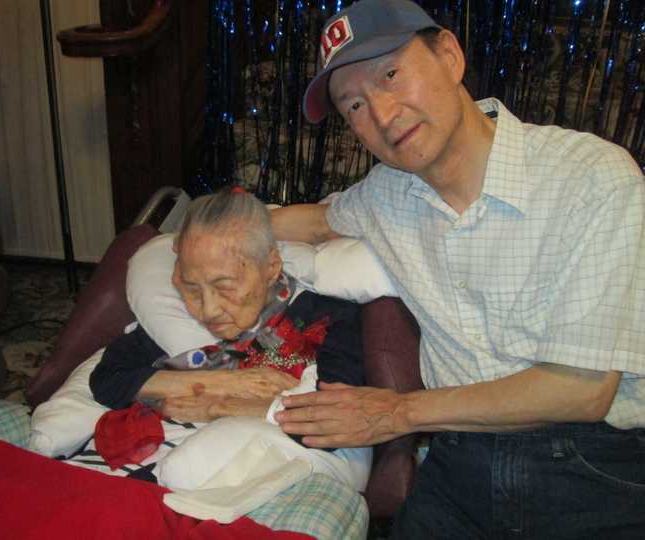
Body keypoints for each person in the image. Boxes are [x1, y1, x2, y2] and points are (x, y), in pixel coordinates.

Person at [270, 0, 645, 538]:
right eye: (353, 106)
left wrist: (397, 414)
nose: (380, 114)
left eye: (391, 74)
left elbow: (582, 389)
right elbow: (317, 222)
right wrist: (213, 226)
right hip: (457, 465)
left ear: (449, 55)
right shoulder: (388, 194)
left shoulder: (592, 178)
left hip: (593, 468)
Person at [88, 188, 370, 490]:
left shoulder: (326, 318)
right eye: (192, 289)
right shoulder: (177, 321)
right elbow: (108, 380)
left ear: (272, 267)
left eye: (225, 287)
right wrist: (226, 382)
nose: (208, 311)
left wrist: (217, 406)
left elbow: (331, 419)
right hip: (156, 467)